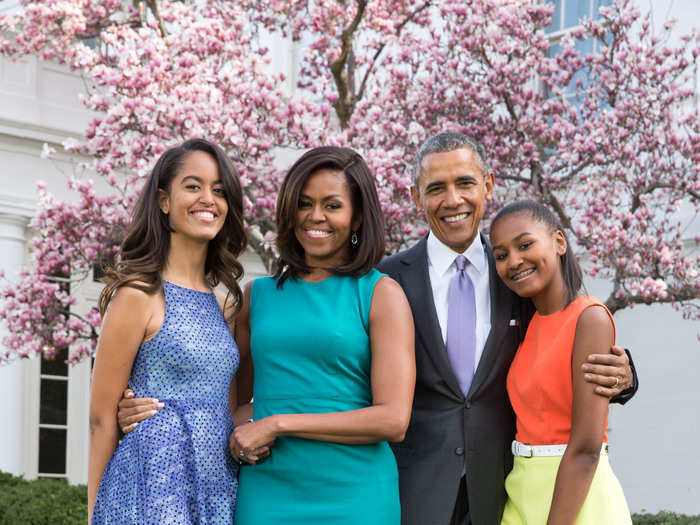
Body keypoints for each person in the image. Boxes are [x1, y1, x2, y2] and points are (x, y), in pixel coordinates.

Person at [376, 132, 637, 525]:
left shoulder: (520, 275)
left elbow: (565, 332)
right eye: (436, 188)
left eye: (465, 182)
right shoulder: (388, 281)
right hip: (415, 492)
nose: (453, 200)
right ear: (416, 198)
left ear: (488, 185)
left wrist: (625, 377)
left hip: (503, 491)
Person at [229, 146, 415, 523]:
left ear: (358, 216)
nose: (315, 216)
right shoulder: (257, 295)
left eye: (332, 205)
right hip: (268, 490)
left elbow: (393, 420)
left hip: (355, 494)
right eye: (304, 203)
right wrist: (239, 433)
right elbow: (230, 397)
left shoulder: (381, 294)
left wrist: (279, 422)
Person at [88, 138, 247, 524]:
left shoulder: (226, 306)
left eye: (219, 190)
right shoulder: (138, 294)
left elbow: (230, 406)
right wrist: (94, 515)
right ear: (163, 201)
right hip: (151, 486)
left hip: (216, 483)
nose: (208, 198)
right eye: (193, 186)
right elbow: (101, 418)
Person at [490, 200, 632, 524]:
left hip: (577, 497)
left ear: (559, 242)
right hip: (521, 490)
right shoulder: (527, 326)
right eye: (501, 255)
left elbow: (586, 448)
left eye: (525, 244)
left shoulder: (590, 318)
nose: (514, 261)